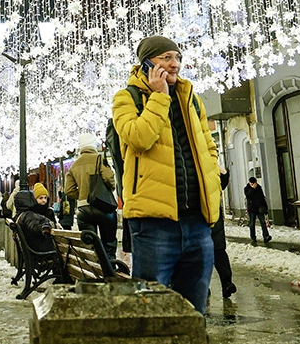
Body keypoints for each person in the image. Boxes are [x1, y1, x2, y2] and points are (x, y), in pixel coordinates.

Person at [112, 35, 221, 314]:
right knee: (152, 310)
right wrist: (159, 96)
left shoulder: (191, 99)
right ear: (147, 63)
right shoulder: (127, 98)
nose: (175, 64)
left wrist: (213, 181)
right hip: (154, 225)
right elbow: (138, 138)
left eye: (178, 58)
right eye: (166, 58)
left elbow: (208, 146)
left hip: (197, 221)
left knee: (195, 310)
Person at [64, 133, 118, 258]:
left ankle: (95, 266)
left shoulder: (74, 165)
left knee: (92, 246)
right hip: (103, 206)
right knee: (109, 244)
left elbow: (69, 190)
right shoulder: (99, 159)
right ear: (93, 145)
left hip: (84, 210)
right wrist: (108, 189)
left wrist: (83, 196)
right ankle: (109, 266)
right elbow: (109, 179)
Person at [212, 168, 236, 298]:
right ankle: (203, 287)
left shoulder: (211, 166)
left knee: (219, 252)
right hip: (198, 218)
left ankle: (227, 283)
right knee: (199, 255)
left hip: (214, 217)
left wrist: (224, 173)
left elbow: (222, 184)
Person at [13, 189, 56, 255]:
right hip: (40, 249)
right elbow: (35, 226)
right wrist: (45, 226)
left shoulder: (20, 215)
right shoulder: (29, 215)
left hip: (33, 247)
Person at [243, 177, 271, 243]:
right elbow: (248, 196)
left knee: (263, 222)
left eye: (254, 183)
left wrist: (265, 208)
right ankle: (253, 237)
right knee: (252, 223)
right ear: (249, 182)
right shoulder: (246, 188)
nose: (253, 184)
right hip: (252, 209)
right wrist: (252, 189)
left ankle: (266, 236)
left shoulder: (259, 188)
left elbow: (262, 198)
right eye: (251, 183)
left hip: (259, 208)